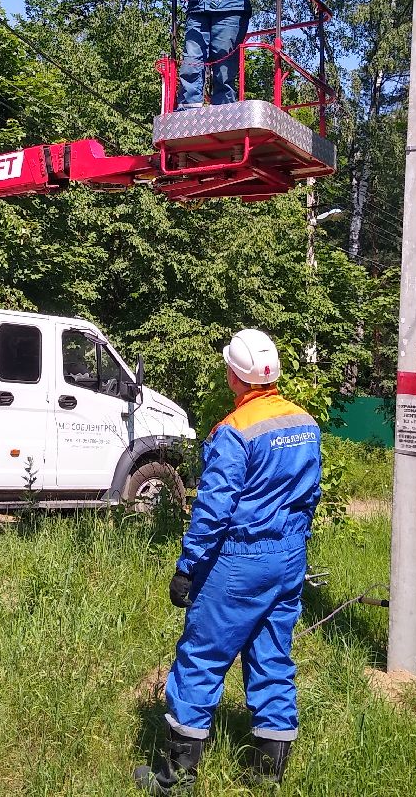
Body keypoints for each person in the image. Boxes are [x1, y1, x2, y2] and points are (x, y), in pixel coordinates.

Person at [134, 329, 322, 794]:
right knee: (273, 657)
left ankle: (174, 779)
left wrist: (188, 567)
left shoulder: (233, 432)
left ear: (233, 376)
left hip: (241, 560)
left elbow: (215, 509)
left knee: (201, 658)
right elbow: (311, 494)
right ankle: (265, 778)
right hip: (289, 557)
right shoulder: (305, 423)